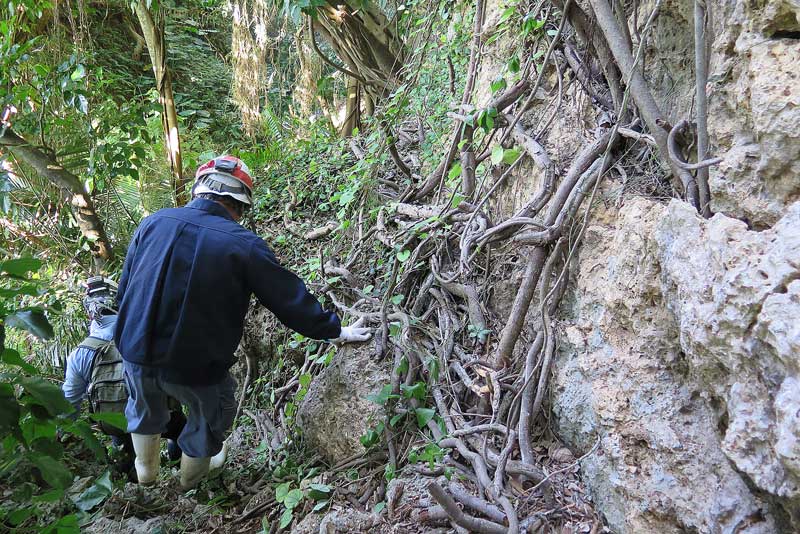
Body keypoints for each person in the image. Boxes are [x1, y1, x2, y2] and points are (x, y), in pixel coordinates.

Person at [115, 155, 371, 490]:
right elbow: (288, 300)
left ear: (197, 190)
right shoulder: (243, 244)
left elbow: (124, 290)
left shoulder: (152, 223)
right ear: (241, 204)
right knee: (210, 416)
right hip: (195, 367)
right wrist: (335, 330)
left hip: (135, 351)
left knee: (143, 410)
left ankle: (146, 477)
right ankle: (189, 491)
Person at [62, 276, 187, 479]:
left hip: (117, 423)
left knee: (121, 448)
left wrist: (60, 439)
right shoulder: (147, 334)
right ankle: (180, 479)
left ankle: (132, 494)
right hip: (160, 416)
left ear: (89, 313)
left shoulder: (79, 354)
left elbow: (68, 406)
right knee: (181, 434)